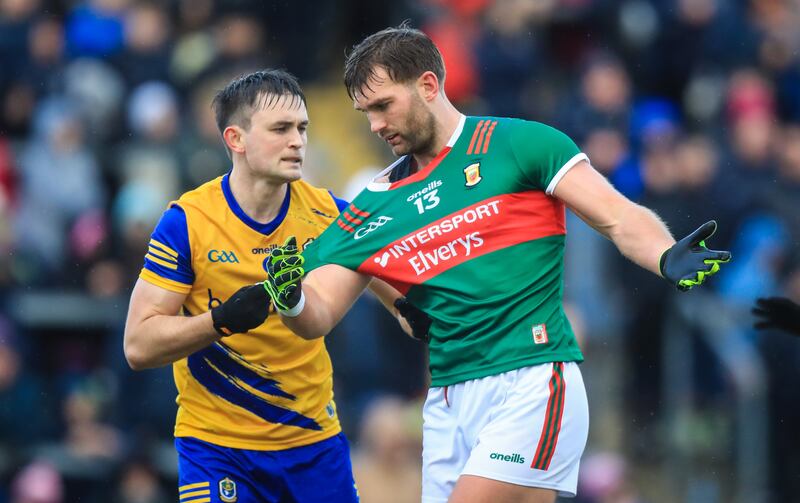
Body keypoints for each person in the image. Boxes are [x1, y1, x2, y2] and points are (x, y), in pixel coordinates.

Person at [263, 26, 731, 503]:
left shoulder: (520, 144)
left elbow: (618, 216)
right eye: (366, 114)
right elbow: (319, 313)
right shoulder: (373, 206)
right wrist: (292, 298)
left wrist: (664, 253)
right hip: (446, 402)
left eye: (383, 106)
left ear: (428, 85)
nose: (376, 126)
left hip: (531, 379)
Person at [123, 69, 421, 503]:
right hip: (217, 447)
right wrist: (221, 321)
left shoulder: (330, 216)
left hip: (313, 445)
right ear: (235, 139)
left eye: (302, 128)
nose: (298, 141)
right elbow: (137, 345)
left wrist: (425, 312)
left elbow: (408, 305)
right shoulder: (187, 222)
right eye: (281, 129)